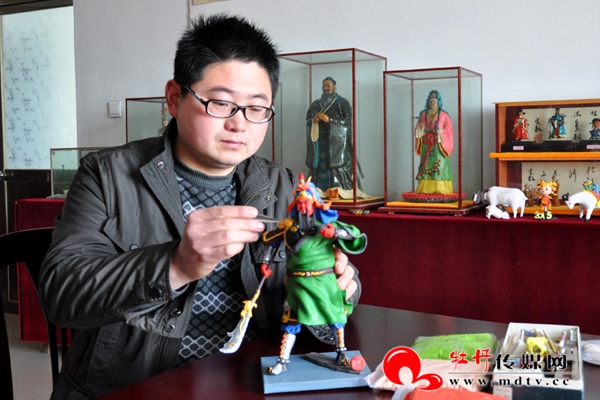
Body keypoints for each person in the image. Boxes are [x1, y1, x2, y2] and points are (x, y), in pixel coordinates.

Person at [38, 14, 361, 399]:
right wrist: (176, 265)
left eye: (257, 108)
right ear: (175, 99)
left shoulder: (288, 187)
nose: (240, 124)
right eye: (221, 103)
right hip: (137, 389)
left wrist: (342, 285)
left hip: (252, 384)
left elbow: (331, 281)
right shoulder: (107, 175)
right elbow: (61, 293)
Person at [259, 174, 367, 375]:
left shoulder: (327, 226)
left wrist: (335, 233)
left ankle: (341, 353)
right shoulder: (288, 228)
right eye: (299, 202)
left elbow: (354, 235)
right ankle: (283, 361)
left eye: (306, 202)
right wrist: (265, 263)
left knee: (336, 315)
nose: (303, 206)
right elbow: (269, 241)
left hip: (325, 282)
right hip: (297, 284)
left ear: (314, 203)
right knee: (291, 320)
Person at [305, 77, 358, 192]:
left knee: (336, 169)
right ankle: (317, 190)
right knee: (318, 166)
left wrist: (330, 120)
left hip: (336, 142)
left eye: (328, 86)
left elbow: (347, 121)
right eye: (324, 86)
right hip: (319, 141)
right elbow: (308, 120)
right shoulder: (315, 104)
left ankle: (338, 189)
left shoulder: (342, 103)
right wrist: (314, 120)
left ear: (334, 87)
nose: (326, 88)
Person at [414, 90, 454, 195]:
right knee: (425, 164)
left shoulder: (444, 115)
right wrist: (420, 128)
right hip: (427, 142)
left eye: (434, 101)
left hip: (438, 144)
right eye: (430, 101)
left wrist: (441, 132)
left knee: (439, 165)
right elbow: (418, 127)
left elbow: (449, 130)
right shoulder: (423, 114)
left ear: (438, 103)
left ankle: (441, 189)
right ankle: (424, 189)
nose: (432, 103)